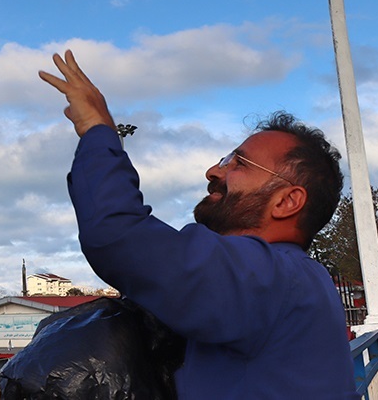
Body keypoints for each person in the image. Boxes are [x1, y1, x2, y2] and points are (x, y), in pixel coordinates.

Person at [39, 50, 358, 399]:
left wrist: (97, 131)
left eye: (240, 163)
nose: (214, 170)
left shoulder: (272, 278)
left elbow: (119, 236)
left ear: (286, 202)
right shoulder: (293, 282)